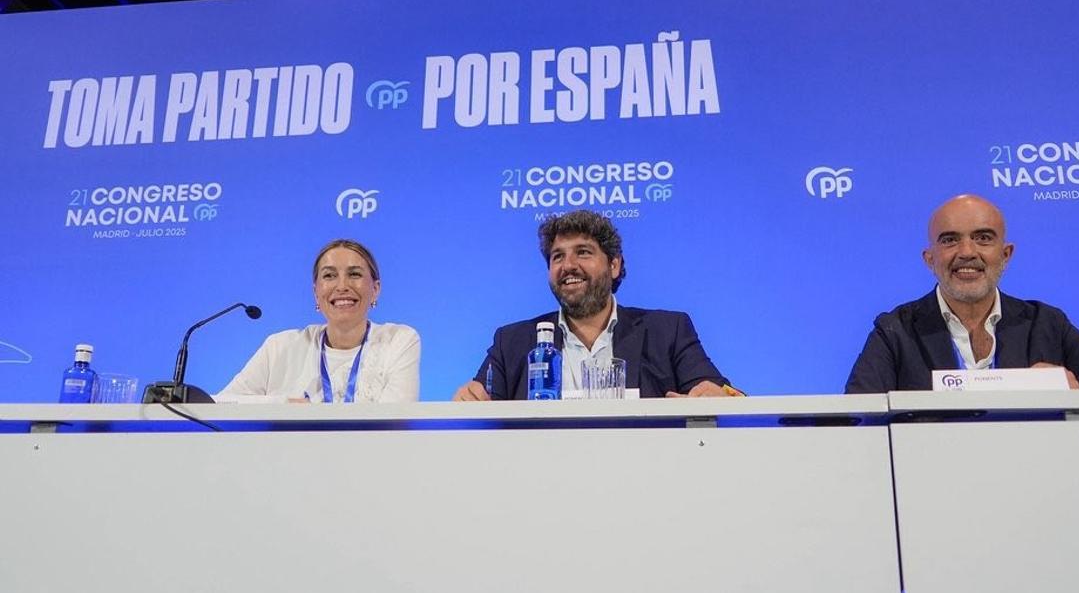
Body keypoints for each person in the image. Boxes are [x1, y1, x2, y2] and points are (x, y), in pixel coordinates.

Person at [453, 210, 738, 401]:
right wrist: (468, 401)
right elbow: (479, 411)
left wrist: (718, 397)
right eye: (557, 257)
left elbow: (723, 397)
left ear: (614, 265)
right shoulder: (512, 342)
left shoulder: (668, 331)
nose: (568, 266)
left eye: (583, 252)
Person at [845, 194, 1079, 393]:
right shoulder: (895, 332)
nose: (967, 252)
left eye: (983, 238)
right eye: (950, 240)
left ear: (1006, 254)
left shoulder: (1046, 324)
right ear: (930, 259)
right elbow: (856, 418)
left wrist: (1076, 391)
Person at [217, 239, 420, 403]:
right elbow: (220, 405)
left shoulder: (399, 340)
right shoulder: (279, 346)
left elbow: (395, 422)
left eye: (354, 274)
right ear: (316, 293)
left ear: (375, 289)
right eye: (329, 275)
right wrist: (282, 405)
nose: (342, 286)